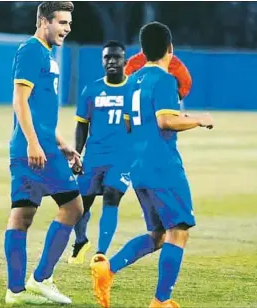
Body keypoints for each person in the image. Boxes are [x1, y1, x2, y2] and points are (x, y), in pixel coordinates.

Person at [90, 21, 214, 308]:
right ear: (170, 49)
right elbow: (165, 120)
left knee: (157, 235)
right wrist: (199, 120)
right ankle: (161, 301)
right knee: (179, 230)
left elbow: (127, 125)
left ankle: (107, 269)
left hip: (138, 166)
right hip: (163, 166)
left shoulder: (131, 82)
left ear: (143, 51)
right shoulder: (165, 80)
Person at [4, 1, 83, 305]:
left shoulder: (48, 56)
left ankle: (15, 291)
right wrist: (35, 144)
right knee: (73, 207)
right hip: (34, 150)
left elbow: (40, 113)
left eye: (69, 24)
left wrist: (63, 145)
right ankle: (40, 279)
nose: (66, 29)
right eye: (62, 22)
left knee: (23, 214)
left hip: (40, 147)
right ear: (43, 21)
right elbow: (19, 101)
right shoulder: (31, 50)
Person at [68, 41, 131, 264]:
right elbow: (82, 125)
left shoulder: (134, 90)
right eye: (107, 58)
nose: (112, 61)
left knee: (112, 197)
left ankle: (101, 252)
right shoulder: (91, 90)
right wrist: (76, 154)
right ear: (102, 61)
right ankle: (81, 240)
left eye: (116, 57)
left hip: (122, 159)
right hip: (94, 157)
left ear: (125, 60)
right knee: (78, 206)